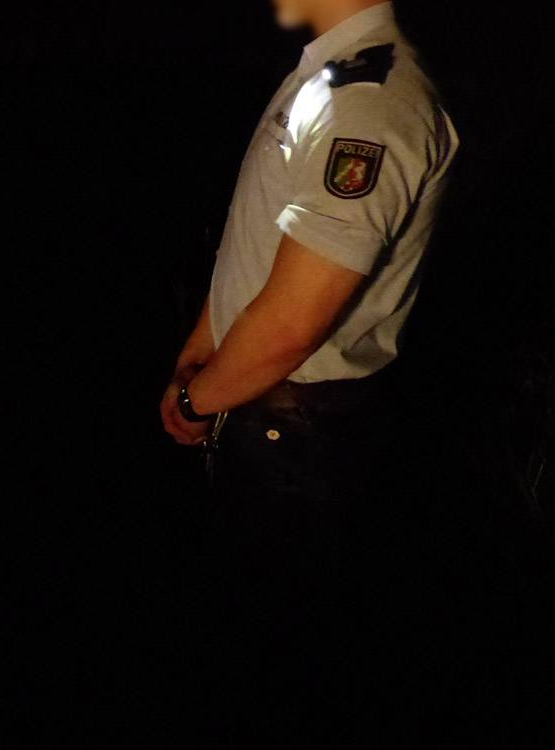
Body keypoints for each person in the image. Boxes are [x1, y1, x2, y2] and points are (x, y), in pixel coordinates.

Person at [159, 0, 459, 739]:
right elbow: (255, 246)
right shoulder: (329, 77)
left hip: (295, 437)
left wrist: (200, 400)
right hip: (267, 417)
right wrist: (202, 347)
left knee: (280, 663)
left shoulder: (371, 100)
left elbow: (296, 317)